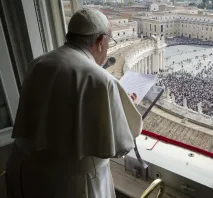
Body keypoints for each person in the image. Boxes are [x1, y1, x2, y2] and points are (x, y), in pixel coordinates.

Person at [5, 8, 142, 198]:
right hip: (69, 184)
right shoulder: (101, 80)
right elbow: (122, 144)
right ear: (101, 41)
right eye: (110, 41)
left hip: (23, 169)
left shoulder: (38, 63)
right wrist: (128, 107)